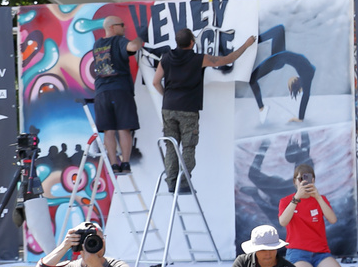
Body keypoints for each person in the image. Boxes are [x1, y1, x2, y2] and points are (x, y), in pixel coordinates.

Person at [151, 27, 256, 192]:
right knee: (188, 147)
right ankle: (183, 183)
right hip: (188, 108)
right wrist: (247, 44)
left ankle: (171, 183)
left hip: (168, 107)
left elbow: (155, 82)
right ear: (192, 42)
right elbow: (227, 59)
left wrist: (167, 97)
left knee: (171, 146)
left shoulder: (165, 58)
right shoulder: (198, 59)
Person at [277, 163, 348, 267]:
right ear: (295, 181)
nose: (303, 182)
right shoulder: (286, 201)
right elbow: (283, 222)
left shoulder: (321, 199)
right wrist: (296, 198)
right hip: (298, 252)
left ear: (313, 180)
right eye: (300, 179)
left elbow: (333, 219)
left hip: (320, 252)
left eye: (307, 178)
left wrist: (318, 197)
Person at [89, 14, 146, 175]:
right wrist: (141, 38)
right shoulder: (119, 40)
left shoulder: (97, 44)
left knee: (108, 130)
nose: (124, 27)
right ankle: (125, 163)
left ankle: (114, 164)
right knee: (124, 128)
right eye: (121, 24)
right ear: (112, 27)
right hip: (120, 89)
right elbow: (133, 47)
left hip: (101, 92)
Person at [248, 24, 316, 124]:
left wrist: (300, 118)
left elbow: (306, 96)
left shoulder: (307, 75)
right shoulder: (307, 72)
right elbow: (305, 95)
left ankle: (262, 108)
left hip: (278, 59)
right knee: (279, 29)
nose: (293, 79)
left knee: (252, 79)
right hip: (280, 56)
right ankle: (254, 40)